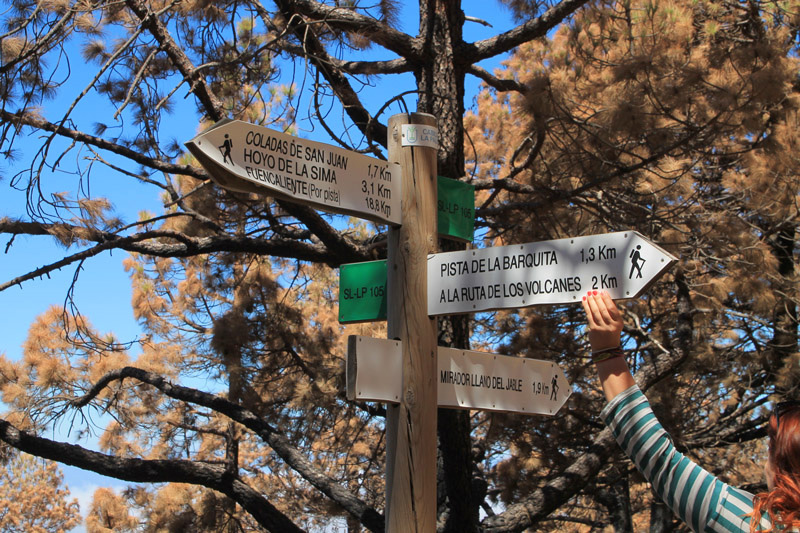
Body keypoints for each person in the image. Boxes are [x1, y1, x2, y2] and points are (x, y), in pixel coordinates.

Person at [582, 290, 800, 532]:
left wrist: (606, 352)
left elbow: (659, 459)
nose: (765, 460)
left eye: (771, 447)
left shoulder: (750, 522)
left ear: (786, 470)